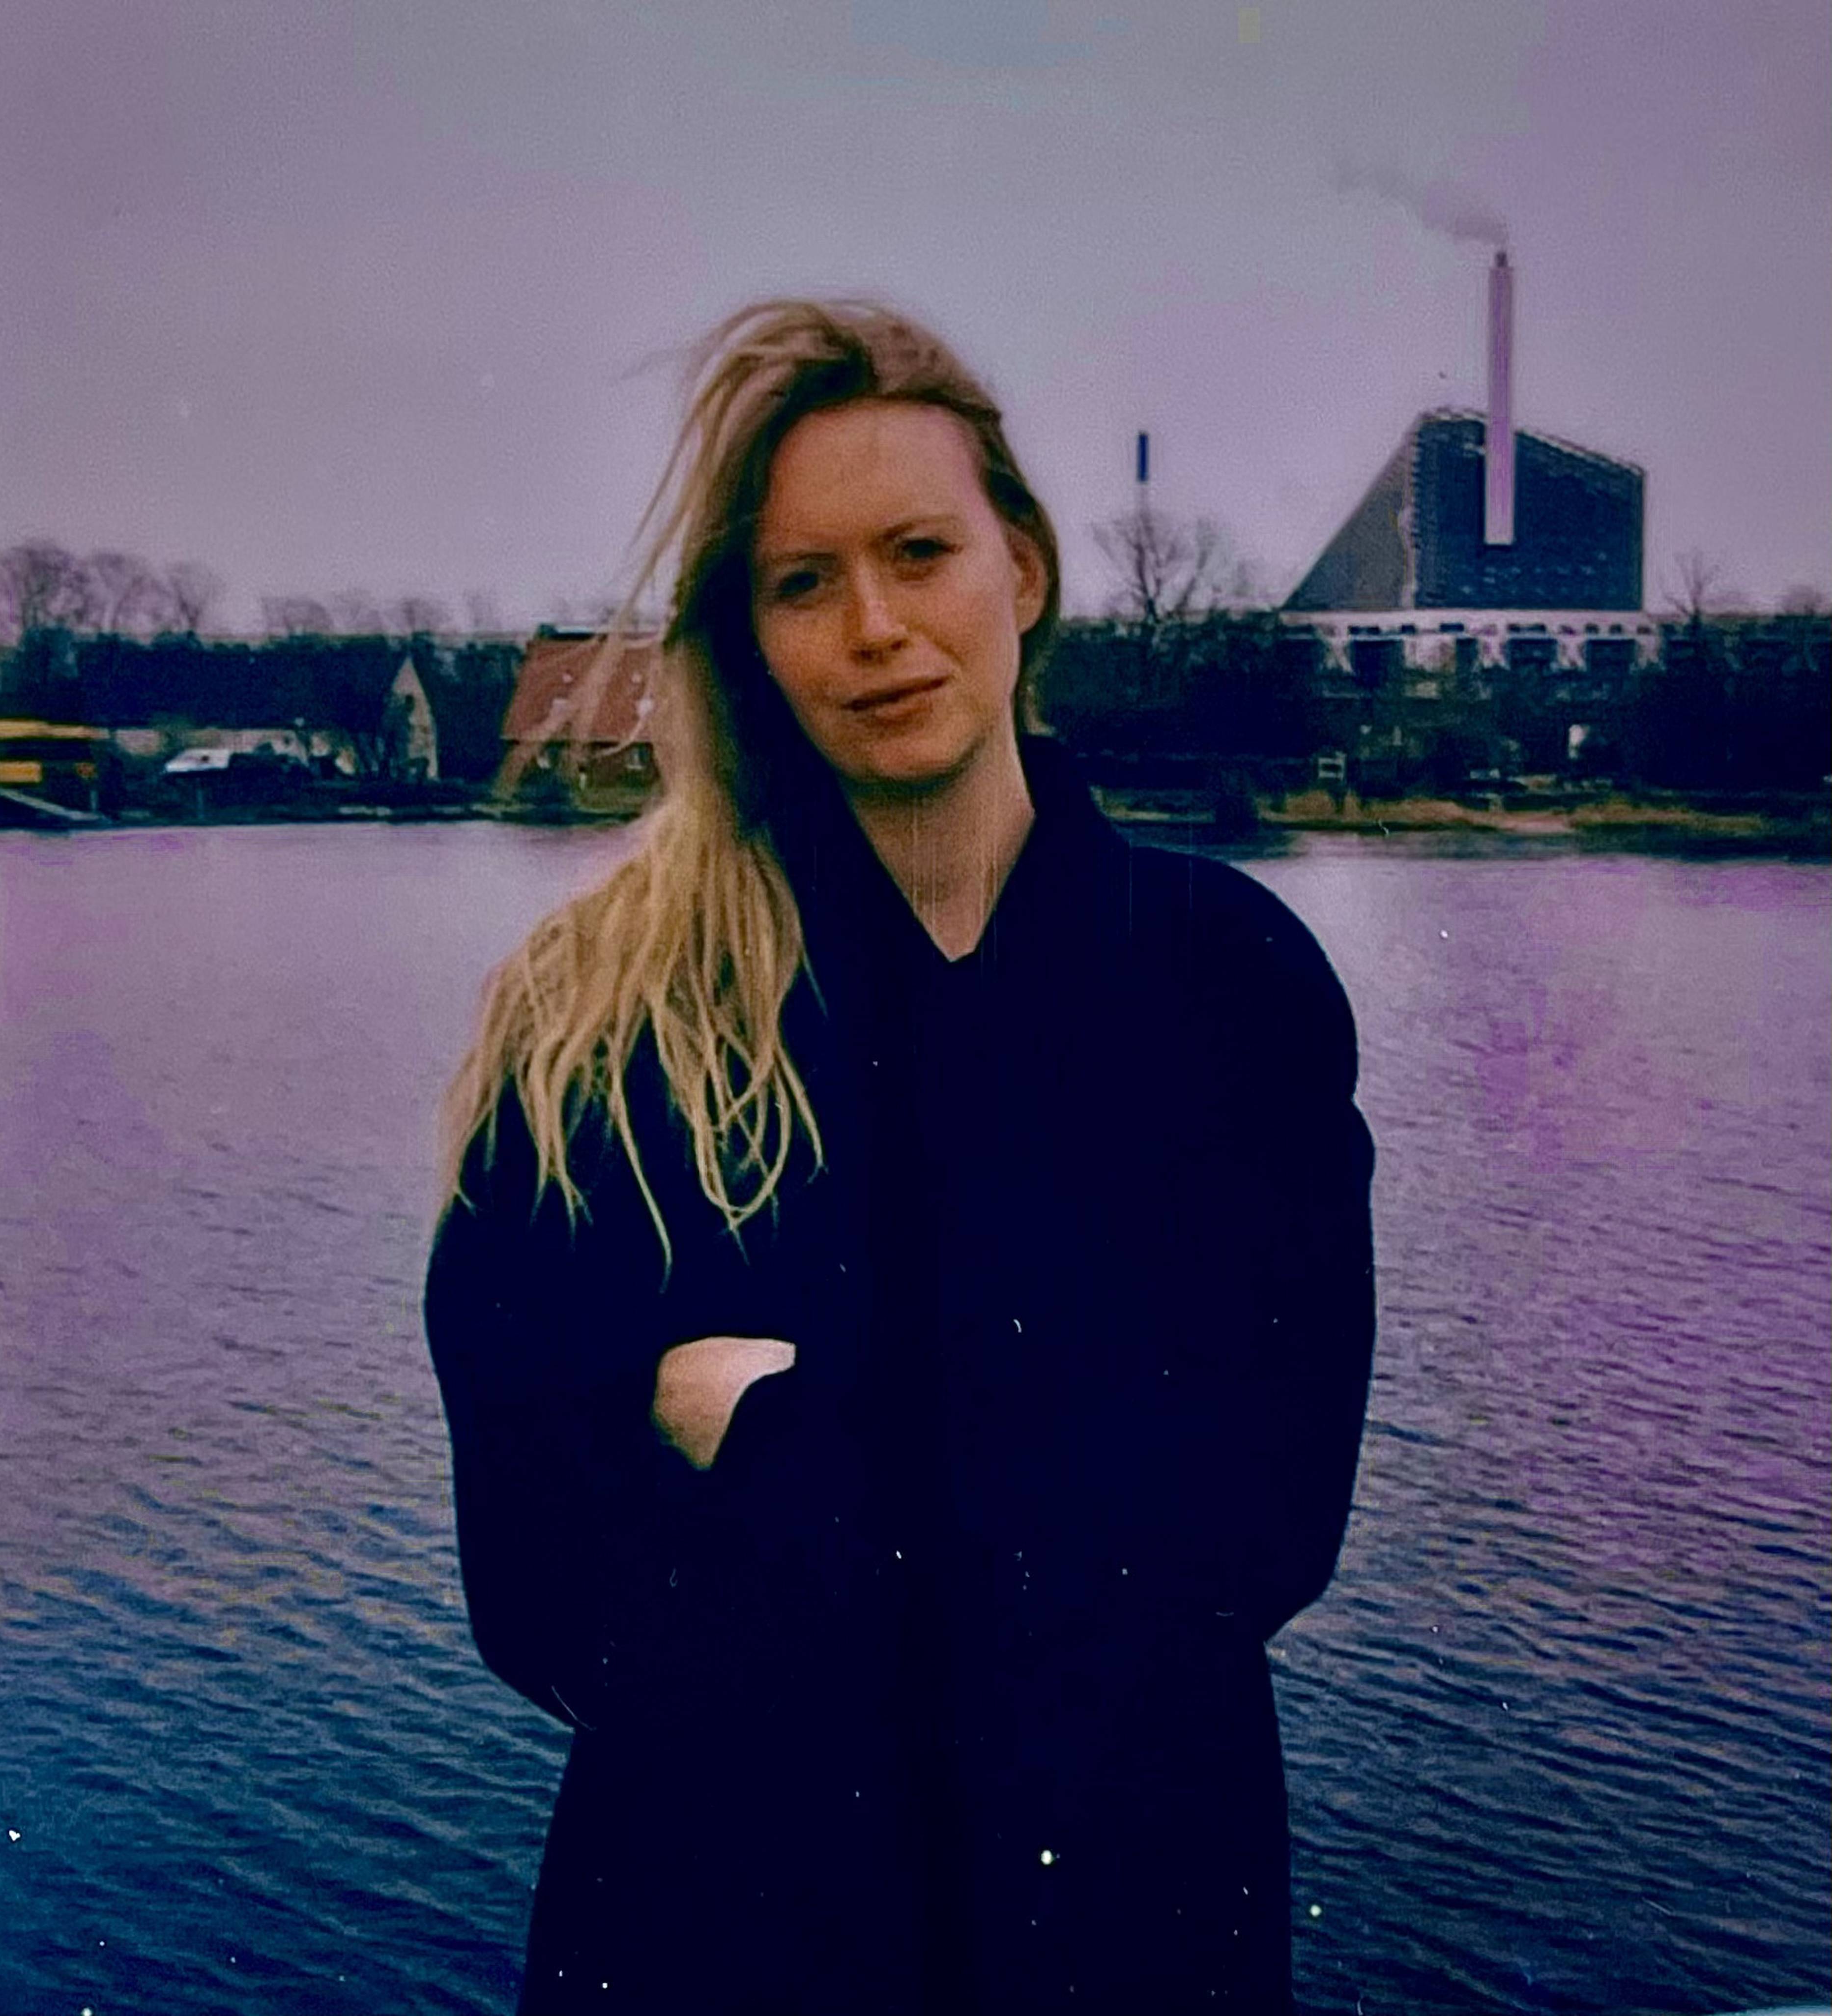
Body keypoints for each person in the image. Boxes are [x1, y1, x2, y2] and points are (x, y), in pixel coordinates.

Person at [423, 300, 1375, 2016]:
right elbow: (544, 1597)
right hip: (716, 1942)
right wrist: (1060, 1458)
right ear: (752, 637)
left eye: (920, 552)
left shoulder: (1227, 988)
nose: (876, 629)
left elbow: (1266, 1530)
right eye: (803, 584)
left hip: (1134, 1932)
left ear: (1018, 566)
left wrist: (760, 1431)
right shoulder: (603, 1033)